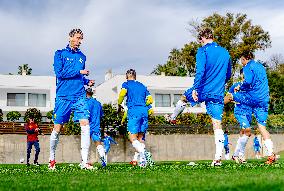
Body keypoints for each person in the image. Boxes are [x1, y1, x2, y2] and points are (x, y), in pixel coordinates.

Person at [170, 28, 232, 166]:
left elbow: (200, 71)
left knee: (183, 98)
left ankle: (173, 117)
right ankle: (217, 159)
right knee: (217, 123)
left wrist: (196, 88)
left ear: (202, 38)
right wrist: (218, 83)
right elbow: (228, 74)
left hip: (202, 89)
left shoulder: (202, 51)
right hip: (217, 92)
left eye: (200, 40)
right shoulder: (225, 52)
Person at [49, 28, 95, 170]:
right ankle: (51, 158)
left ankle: (84, 161)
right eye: (77, 38)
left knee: (85, 124)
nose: (79, 41)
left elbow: (79, 77)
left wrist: (86, 81)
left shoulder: (82, 56)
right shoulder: (59, 54)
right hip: (63, 96)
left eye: (81, 38)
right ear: (70, 37)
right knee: (58, 128)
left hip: (79, 96)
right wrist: (79, 72)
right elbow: (60, 73)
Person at [225, 51, 276, 164]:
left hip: (252, 98)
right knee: (261, 127)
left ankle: (217, 106)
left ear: (244, 59)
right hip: (264, 99)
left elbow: (248, 81)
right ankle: (271, 154)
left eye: (241, 61)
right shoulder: (261, 67)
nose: (242, 63)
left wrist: (240, 87)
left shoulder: (248, 66)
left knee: (231, 97)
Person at [118, 69, 153, 167]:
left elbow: (122, 94)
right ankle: (143, 163)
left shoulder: (126, 84)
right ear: (135, 76)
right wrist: (142, 105)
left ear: (127, 76)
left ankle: (144, 152)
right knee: (140, 137)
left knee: (132, 137)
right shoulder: (142, 85)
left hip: (134, 111)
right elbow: (150, 100)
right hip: (144, 111)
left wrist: (119, 103)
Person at [227, 69, 250, 164]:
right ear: (241, 75)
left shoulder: (251, 87)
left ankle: (236, 155)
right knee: (248, 131)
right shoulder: (235, 86)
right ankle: (240, 155)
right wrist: (235, 100)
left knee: (243, 134)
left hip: (249, 112)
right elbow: (228, 97)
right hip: (240, 111)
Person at [85, 88, 107, 167]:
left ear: (85, 93)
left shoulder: (85, 103)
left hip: (87, 126)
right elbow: (101, 115)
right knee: (98, 143)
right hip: (96, 126)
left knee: (85, 144)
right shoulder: (98, 103)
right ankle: (103, 160)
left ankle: (85, 162)